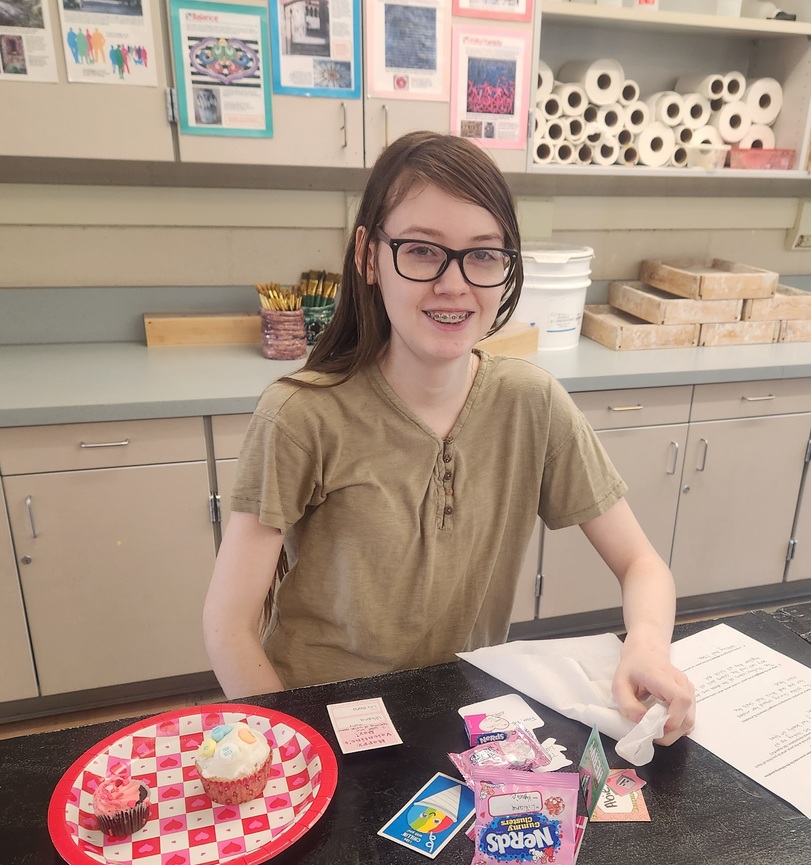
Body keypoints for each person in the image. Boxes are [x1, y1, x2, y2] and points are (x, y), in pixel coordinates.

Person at [203, 130, 695, 745]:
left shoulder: (531, 403)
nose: (454, 284)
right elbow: (228, 626)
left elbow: (642, 563)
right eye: (422, 251)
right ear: (368, 256)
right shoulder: (301, 415)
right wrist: (292, 744)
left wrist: (646, 647)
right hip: (325, 721)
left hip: (455, 711)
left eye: (483, 255)